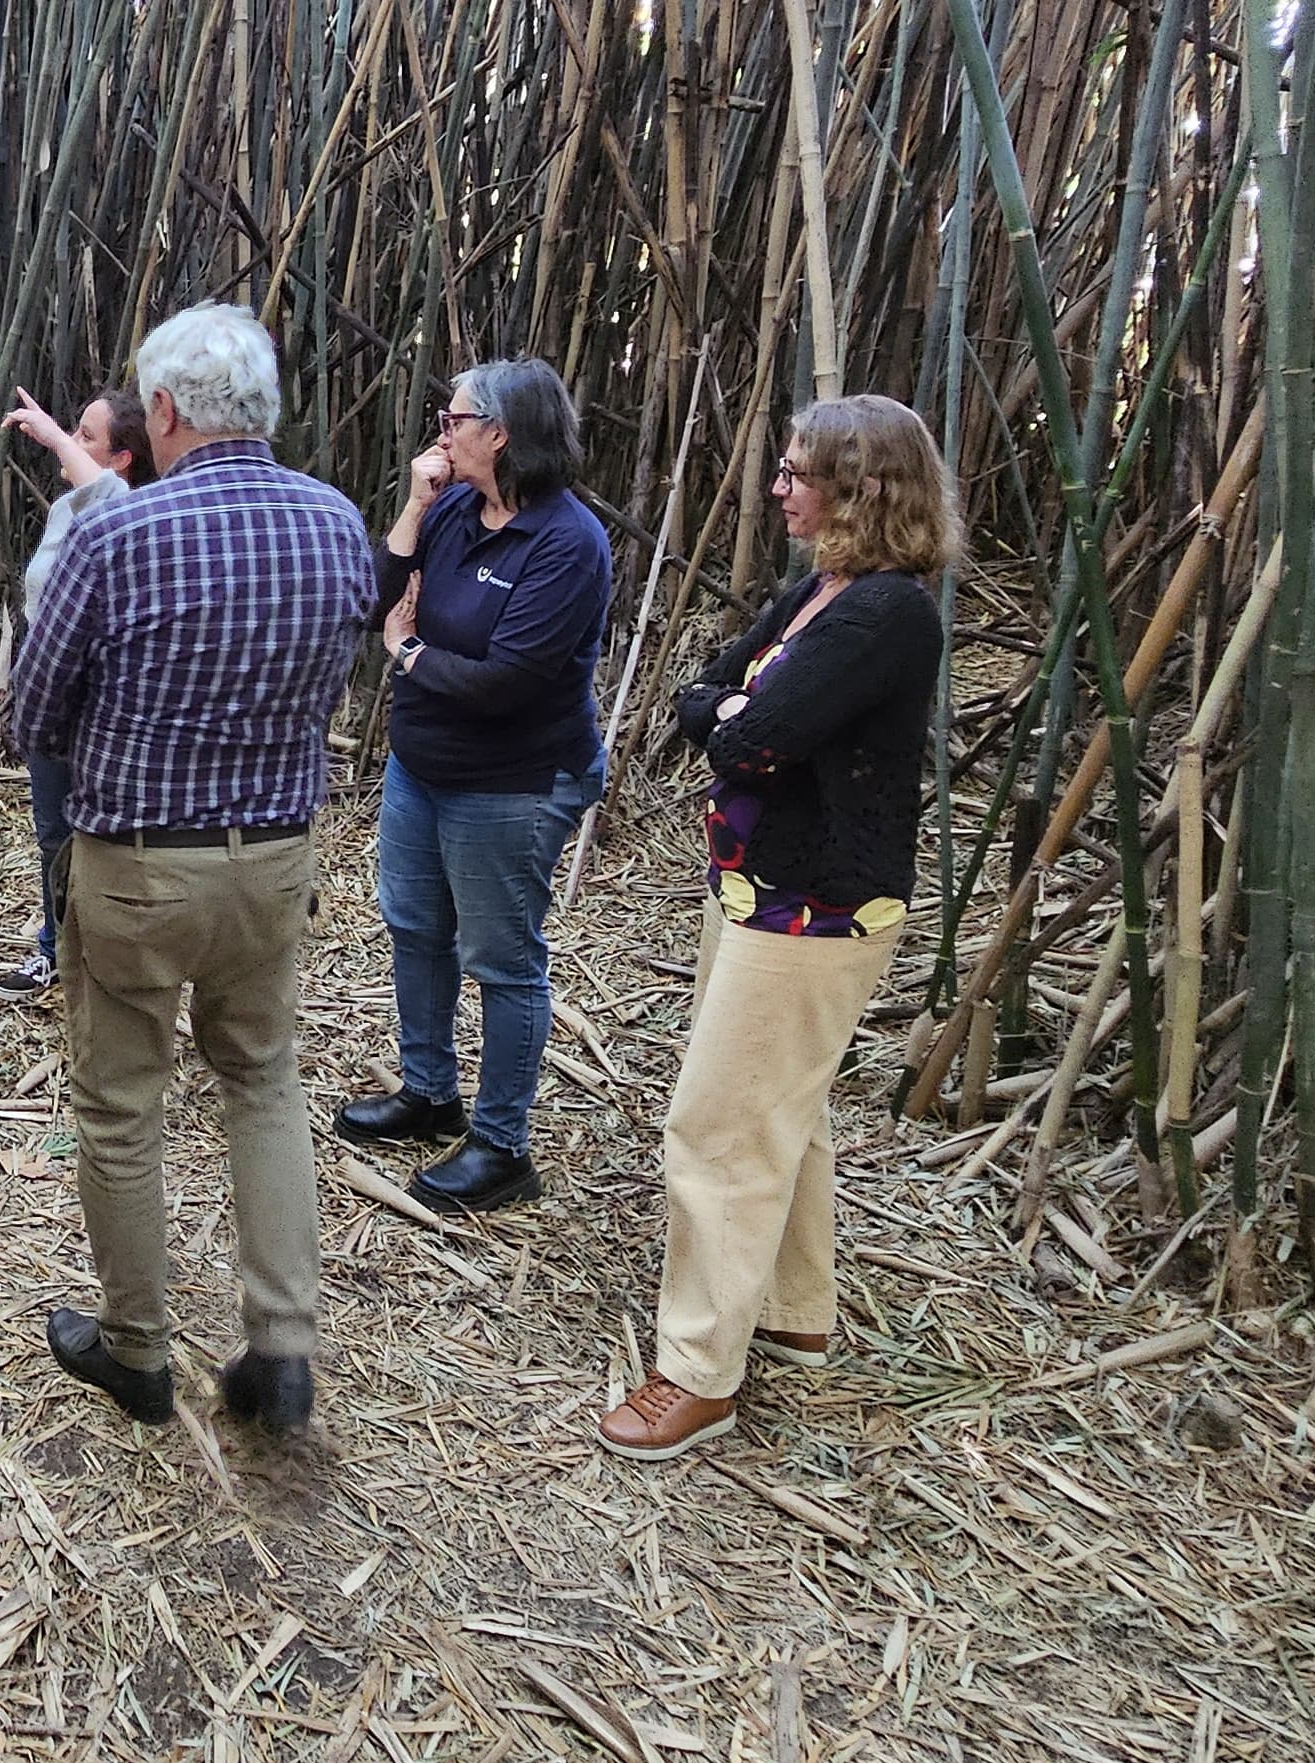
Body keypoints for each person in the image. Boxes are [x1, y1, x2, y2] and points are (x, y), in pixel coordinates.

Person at [10, 304, 375, 1437]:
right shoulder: (335, 524)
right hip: (273, 862)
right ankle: (283, 1347)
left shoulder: (120, 535)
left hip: (133, 870)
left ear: (162, 411)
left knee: (121, 1108)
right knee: (261, 1081)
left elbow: (35, 711)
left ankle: (138, 1353)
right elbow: (337, 677)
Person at [603, 394, 958, 1463]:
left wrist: (722, 719)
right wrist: (721, 715)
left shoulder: (885, 614)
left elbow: (745, 737)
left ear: (864, 489)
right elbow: (714, 694)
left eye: (798, 474)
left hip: (819, 904)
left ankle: (697, 1371)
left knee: (718, 1127)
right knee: (782, 1111)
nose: (777, 488)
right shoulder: (821, 590)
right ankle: (795, 1308)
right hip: (756, 888)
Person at [333, 359, 615, 1213]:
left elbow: (507, 680)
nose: (441, 431)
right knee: (415, 927)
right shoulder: (455, 505)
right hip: (425, 765)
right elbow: (371, 602)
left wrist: (410, 654)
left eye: (452, 418)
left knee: (502, 959)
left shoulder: (568, 543)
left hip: (515, 778)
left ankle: (502, 1144)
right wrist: (416, 506)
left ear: (499, 433)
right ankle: (429, 1091)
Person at [0, 385, 145, 998]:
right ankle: (55, 948)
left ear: (122, 458)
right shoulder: (71, 507)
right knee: (53, 830)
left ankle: (109, 959)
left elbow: (104, 496)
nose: (72, 444)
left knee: (106, 835)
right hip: (50, 682)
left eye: (87, 436)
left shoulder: (127, 507)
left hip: (99, 696)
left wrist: (52, 434)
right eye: (75, 433)